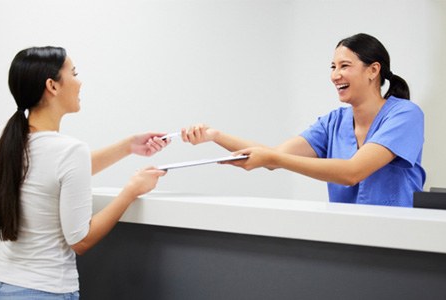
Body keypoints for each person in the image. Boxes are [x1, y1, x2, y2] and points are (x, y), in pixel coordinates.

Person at [0, 46, 168, 299]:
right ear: (53, 86)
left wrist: (129, 146)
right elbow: (80, 240)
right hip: (43, 291)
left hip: (0, 286)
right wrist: (131, 190)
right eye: (74, 72)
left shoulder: (14, 144)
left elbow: (61, 175)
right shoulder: (69, 151)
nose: (80, 82)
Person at [181, 33, 425, 207]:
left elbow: (353, 172)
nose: (335, 75)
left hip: (397, 237)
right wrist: (215, 136)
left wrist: (275, 158)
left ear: (373, 70)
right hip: (348, 237)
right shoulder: (333, 122)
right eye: (333, 66)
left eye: (344, 66)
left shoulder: (405, 115)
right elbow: (273, 157)